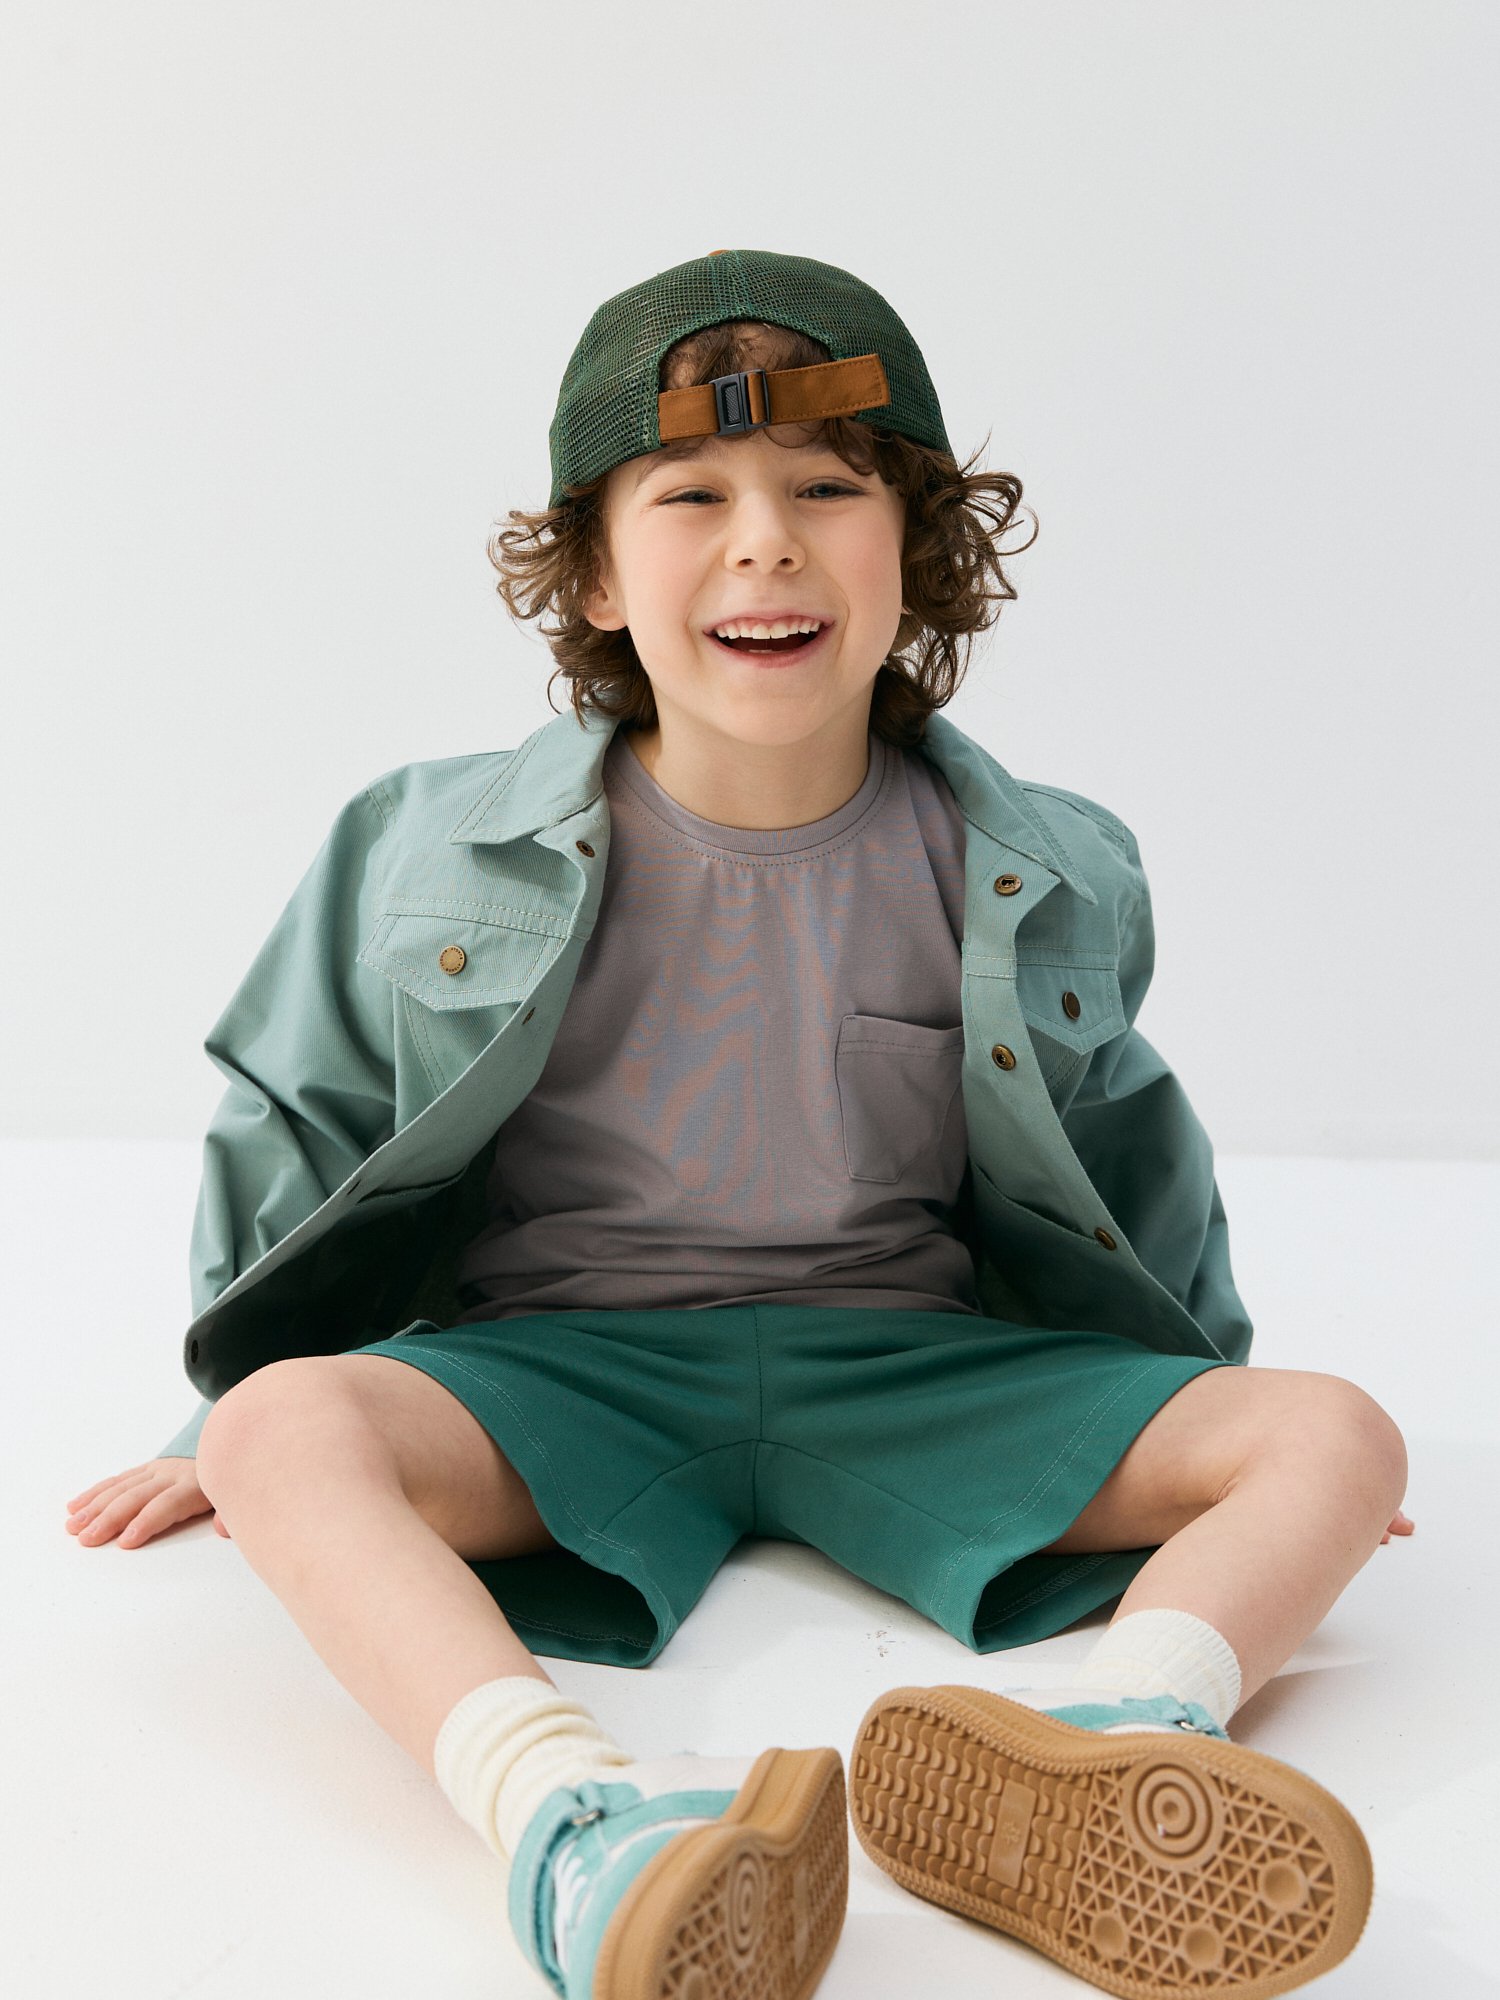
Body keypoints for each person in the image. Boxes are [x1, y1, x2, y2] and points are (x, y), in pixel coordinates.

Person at [65, 248, 1413, 2000]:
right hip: (562, 1372)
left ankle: (1119, 1742)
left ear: (915, 548)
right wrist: (218, 1415)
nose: (764, 543)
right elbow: (296, 1107)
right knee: (278, 1435)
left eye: (828, 491)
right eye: (692, 495)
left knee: (1340, 1434)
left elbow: (1130, 1142)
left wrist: (1235, 1448)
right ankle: (568, 1819)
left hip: (915, 1369)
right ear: (596, 574)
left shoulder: (1038, 861)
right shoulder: (425, 846)